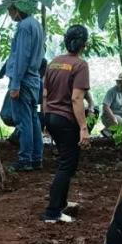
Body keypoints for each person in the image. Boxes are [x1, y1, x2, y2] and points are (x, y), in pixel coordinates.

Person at [40, 25, 91, 223]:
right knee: (66, 166)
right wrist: (83, 128)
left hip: (51, 117)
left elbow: (45, 95)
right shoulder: (80, 65)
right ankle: (52, 213)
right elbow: (77, 98)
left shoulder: (54, 63)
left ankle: (60, 203)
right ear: (84, 44)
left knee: (65, 162)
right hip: (66, 120)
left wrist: (46, 119)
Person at [0, 0, 45, 171]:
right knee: (33, 119)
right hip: (34, 79)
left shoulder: (24, 26)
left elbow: (21, 56)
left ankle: (25, 159)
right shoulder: (36, 25)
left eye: (10, 10)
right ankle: (36, 158)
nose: (10, 14)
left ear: (17, 9)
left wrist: (15, 84)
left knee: (24, 121)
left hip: (24, 80)